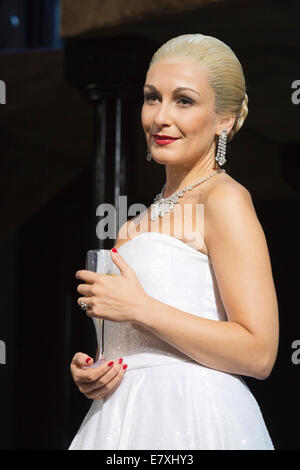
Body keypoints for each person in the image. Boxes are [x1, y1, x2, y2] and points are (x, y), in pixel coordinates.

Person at [68, 34, 279, 450]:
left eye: (183, 100)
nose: (160, 117)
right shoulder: (133, 225)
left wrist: (141, 308)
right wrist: (94, 370)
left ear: (225, 119)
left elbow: (259, 353)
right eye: (152, 98)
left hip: (196, 416)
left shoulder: (225, 200)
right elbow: (138, 344)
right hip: (118, 422)